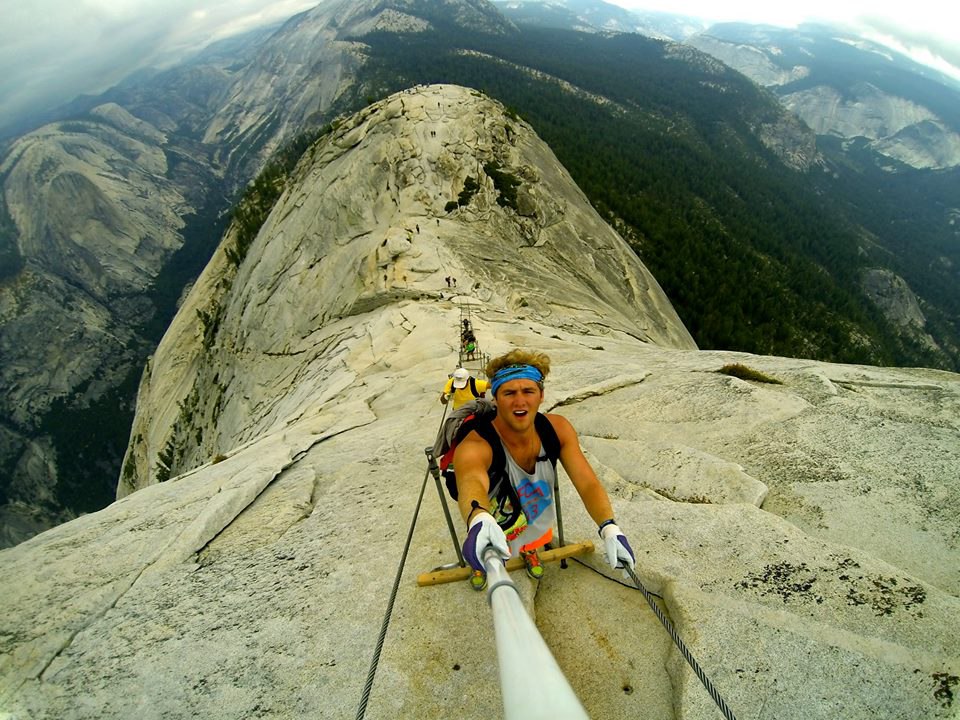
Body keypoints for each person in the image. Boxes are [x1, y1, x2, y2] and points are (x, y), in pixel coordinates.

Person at [453, 349, 635, 588]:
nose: (520, 401)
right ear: (495, 398)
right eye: (509, 393)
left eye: (528, 391)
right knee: (487, 541)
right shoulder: (476, 444)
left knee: (529, 533)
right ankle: (481, 563)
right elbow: (471, 481)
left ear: (541, 395)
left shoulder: (557, 429)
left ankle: (529, 550)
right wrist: (478, 517)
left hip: (532, 507)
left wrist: (609, 526)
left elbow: (587, 482)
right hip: (494, 509)